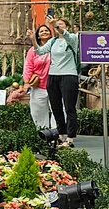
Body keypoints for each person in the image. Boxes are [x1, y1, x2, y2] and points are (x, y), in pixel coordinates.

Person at [27, 17, 80, 146]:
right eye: (56, 25)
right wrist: (33, 39)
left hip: (68, 75)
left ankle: (70, 138)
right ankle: (60, 135)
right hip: (53, 76)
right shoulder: (53, 41)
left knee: (69, 108)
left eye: (61, 24)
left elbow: (65, 34)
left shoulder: (72, 38)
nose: (57, 26)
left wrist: (55, 25)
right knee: (56, 108)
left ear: (66, 27)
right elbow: (40, 51)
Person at [23, 23, 55, 131]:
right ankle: (43, 133)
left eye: (47, 30)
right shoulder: (33, 50)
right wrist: (26, 82)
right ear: (38, 36)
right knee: (38, 112)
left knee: (57, 110)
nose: (44, 32)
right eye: (41, 31)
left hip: (55, 85)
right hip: (39, 86)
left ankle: (56, 133)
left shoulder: (55, 47)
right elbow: (28, 66)